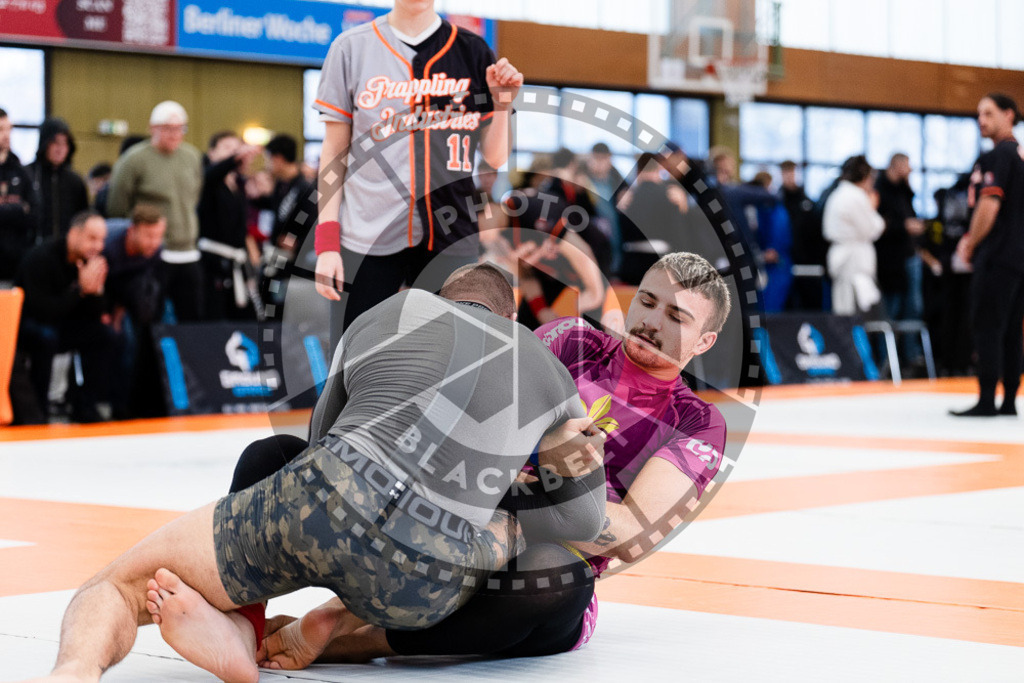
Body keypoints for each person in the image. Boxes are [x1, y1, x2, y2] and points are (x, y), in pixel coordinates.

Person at [24, 263, 606, 683]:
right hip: (430, 582)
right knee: (511, 536)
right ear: (510, 315)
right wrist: (523, 490)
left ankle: (78, 671)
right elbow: (585, 519)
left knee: (115, 587)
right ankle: (338, 627)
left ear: (440, 295)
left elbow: (319, 442)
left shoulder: (392, 312)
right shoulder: (545, 365)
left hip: (326, 502)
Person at [248, 251, 730, 669]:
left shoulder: (697, 422)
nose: (652, 321)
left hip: (522, 574)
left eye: (677, 316)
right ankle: (242, 617)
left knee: (556, 578)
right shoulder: (573, 340)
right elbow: (476, 404)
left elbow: (630, 536)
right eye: (646, 301)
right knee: (275, 455)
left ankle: (353, 640)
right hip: (451, 519)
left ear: (704, 341)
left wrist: (514, 487)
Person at [310, 0, 524, 345]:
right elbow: (334, 151)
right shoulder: (350, 47)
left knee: (452, 359)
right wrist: (327, 242)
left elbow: (495, 159)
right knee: (352, 357)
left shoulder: (473, 50)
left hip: (451, 231)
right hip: (367, 231)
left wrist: (501, 106)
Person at [951, 93, 1024, 417]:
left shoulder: (999, 156)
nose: (981, 120)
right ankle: (1008, 399)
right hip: (1019, 257)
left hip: (998, 255)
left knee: (988, 326)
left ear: (1009, 115)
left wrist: (970, 242)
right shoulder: (1020, 157)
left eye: (989, 113)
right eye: (978, 114)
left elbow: (988, 206)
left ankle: (986, 399)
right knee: (1011, 330)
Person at [107, 101, 204, 321]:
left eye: (180, 128)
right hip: (152, 254)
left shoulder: (191, 157)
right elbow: (117, 206)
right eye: (168, 128)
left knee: (193, 319)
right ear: (153, 128)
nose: (175, 134)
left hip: (188, 250)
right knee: (150, 318)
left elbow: (194, 197)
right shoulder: (134, 160)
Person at [14, 210, 113, 423]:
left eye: (102, 240)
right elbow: (43, 313)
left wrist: (96, 292)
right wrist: (80, 290)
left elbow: (95, 314)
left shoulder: (92, 261)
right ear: (74, 234)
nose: (99, 246)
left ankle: (85, 406)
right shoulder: (41, 258)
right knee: (46, 338)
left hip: (62, 324)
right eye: (92, 238)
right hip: (28, 327)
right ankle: (38, 412)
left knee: (104, 335)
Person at [103, 203, 167, 419]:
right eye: (149, 235)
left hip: (130, 290)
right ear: (132, 230)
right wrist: (109, 311)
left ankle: (139, 403)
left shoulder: (156, 250)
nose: (155, 242)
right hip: (101, 290)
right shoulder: (108, 245)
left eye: (159, 236)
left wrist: (122, 309)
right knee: (121, 340)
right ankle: (114, 405)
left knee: (152, 332)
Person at [198, 131, 260, 320]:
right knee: (215, 318)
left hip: (237, 260)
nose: (233, 154)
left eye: (236, 149)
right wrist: (235, 158)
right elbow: (212, 174)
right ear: (211, 153)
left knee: (245, 316)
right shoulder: (206, 180)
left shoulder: (239, 184)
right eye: (227, 149)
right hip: (212, 263)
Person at [875, 153, 925, 364]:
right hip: (889, 261)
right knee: (890, 310)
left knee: (913, 309)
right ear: (896, 165)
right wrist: (903, 226)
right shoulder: (879, 191)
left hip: (909, 256)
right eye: (907, 165)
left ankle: (909, 357)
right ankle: (886, 360)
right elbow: (879, 225)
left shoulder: (903, 191)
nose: (910, 169)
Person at [823, 155, 885, 316]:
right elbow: (871, 229)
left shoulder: (838, 194)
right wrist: (872, 208)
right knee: (854, 315)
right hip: (853, 262)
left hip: (843, 257)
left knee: (845, 311)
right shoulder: (855, 196)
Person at [615, 152, 688, 285]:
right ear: (660, 169)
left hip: (630, 265)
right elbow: (679, 235)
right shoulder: (672, 195)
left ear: (637, 170)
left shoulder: (625, 197)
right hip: (661, 264)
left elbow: (617, 234)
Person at [26, 117, 89, 243]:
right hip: (33, 249)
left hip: (65, 250)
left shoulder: (75, 181)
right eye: (55, 142)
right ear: (45, 144)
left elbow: (83, 218)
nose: (60, 149)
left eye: (65, 143)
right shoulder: (28, 174)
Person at [778, 160, 826, 310]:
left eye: (792, 172)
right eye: (786, 173)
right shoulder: (776, 203)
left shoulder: (808, 204)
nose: (790, 176)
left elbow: (816, 234)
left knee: (810, 305)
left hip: (807, 263)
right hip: (783, 262)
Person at [0, 107, 38, 283]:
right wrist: (18, 209)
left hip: (15, 265)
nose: (7, 135)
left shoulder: (21, 172)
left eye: (9, 129)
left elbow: (35, 213)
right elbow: (24, 210)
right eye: (1, 130)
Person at [584, 142, 626, 274]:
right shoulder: (581, 183)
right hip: (592, 241)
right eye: (596, 158)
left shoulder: (620, 184)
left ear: (610, 160)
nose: (599, 163)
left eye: (603, 159)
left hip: (617, 239)